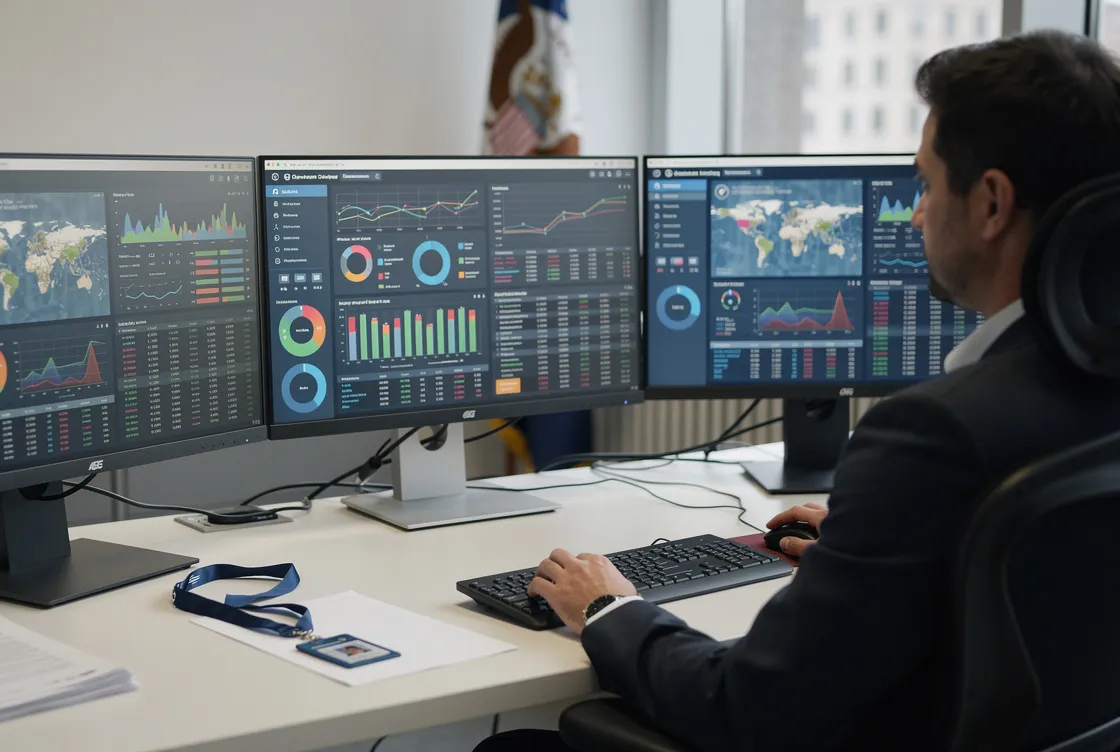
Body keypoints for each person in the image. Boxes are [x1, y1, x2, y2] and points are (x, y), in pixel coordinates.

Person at [476, 30, 1120, 752]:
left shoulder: (932, 432)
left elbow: (747, 709)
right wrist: (868, 554)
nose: (916, 214)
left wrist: (607, 609)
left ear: (992, 203)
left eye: (927, 184)